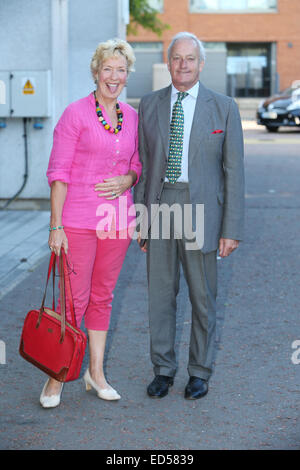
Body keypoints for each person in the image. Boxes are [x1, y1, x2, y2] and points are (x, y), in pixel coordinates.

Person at [134, 32, 244, 400]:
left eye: (190, 58)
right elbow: (146, 167)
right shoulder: (148, 105)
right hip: (162, 203)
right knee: (160, 294)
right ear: (168, 63)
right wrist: (142, 220)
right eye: (177, 58)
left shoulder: (223, 107)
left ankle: (199, 371)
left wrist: (231, 228)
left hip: (202, 210)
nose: (183, 64)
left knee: (202, 296)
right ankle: (163, 370)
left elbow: (234, 172)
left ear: (201, 64)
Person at [41, 38, 142, 408]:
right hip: (79, 220)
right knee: (74, 300)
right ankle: (56, 375)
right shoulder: (76, 114)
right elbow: (58, 173)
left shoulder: (133, 117)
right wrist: (56, 226)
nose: (113, 77)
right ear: (96, 72)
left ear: (127, 75)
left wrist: (129, 180)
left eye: (121, 70)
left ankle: (94, 373)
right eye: (108, 69)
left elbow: (137, 164)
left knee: (103, 296)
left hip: (117, 222)